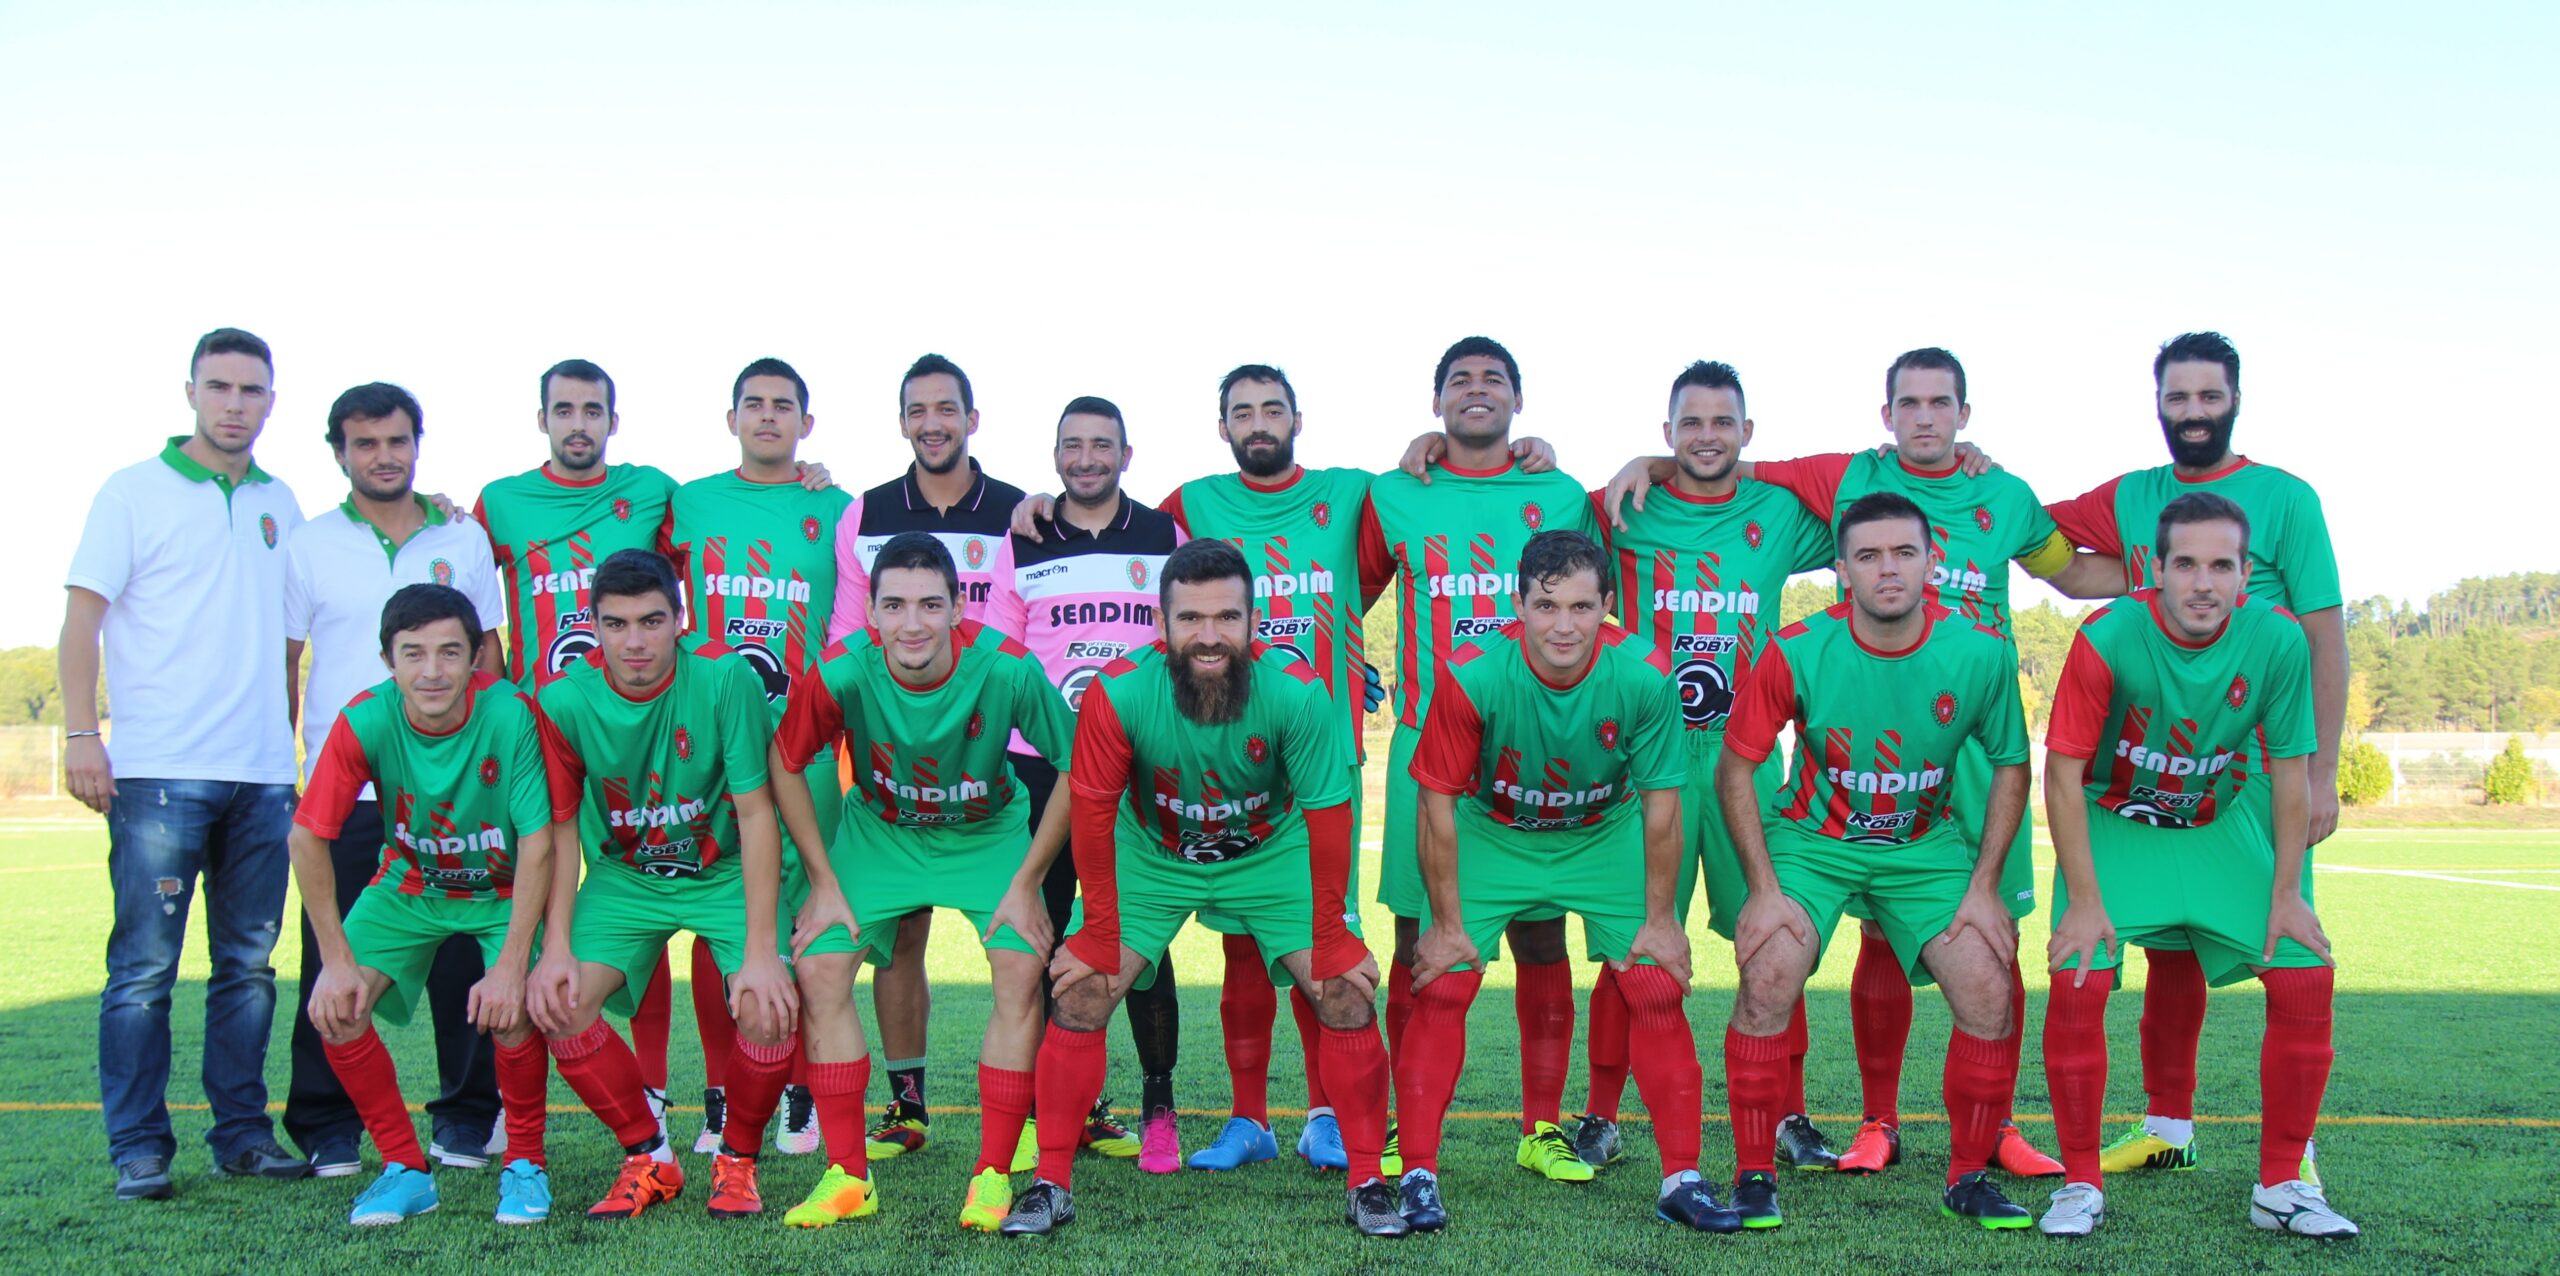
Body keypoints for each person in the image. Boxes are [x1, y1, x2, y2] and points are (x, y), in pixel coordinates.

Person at [1018, 362, 1555, 1173]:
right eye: (1242, 412)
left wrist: (1449, 444)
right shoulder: (1192, 504)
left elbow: (1412, 536)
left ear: (1297, 419)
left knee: (1322, 947)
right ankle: (1249, 1120)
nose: (1258, 422)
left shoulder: (1351, 494)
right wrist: (1042, 508)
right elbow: (1111, 524)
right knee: (1242, 952)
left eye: (1272, 408)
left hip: (1317, 753)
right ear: (1222, 427)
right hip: (1220, 762)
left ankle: (1327, 1117)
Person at [1602, 348, 2108, 1177]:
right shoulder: (1848, 476)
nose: (1924, 417)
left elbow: (2076, 573)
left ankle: (1997, 1126)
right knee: (1863, 930)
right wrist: (1649, 461)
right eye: (1909, 403)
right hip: (1863, 736)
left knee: (1992, 937)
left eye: (1940, 403)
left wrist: (2179, 576)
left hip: (1971, 740)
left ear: (1965, 415)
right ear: (1886, 415)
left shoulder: (2006, 495)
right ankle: (1877, 1119)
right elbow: (1724, 462)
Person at [997, 539, 1402, 1238]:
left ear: (1254, 623)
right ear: (1162, 624)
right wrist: (1099, 932)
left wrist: (1334, 935)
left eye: (1226, 618)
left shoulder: (1298, 690)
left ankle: (1367, 1181)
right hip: (1154, 854)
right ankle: (1051, 1183)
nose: (1209, 635)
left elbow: (1329, 816)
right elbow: (1091, 813)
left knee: (1345, 990)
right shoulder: (1119, 691)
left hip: (1271, 852)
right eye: (1190, 618)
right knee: (1082, 986)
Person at [2043, 331, 2347, 1179]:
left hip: (2249, 769)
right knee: (2168, 947)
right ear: (2158, 405)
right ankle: (2168, 1127)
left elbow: (2323, 635)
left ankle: (2295, 1160)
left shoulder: (2286, 498)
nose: (2194, 412)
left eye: (2209, 396)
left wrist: (2322, 769)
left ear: (2235, 399)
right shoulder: (2135, 495)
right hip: (2145, 763)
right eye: (2178, 397)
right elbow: (2041, 542)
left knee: (2289, 945)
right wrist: (1977, 479)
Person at [822, 355, 1133, 1157]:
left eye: (946, 409)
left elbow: (1029, 610)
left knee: (1040, 928)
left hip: (1005, 743)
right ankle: (908, 1103)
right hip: (899, 749)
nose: (933, 423)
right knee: (900, 933)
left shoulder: (1019, 512)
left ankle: (1066, 1102)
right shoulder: (864, 512)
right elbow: (848, 632)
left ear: (972, 418)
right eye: (917, 410)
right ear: (901, 421)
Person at [1400, 530, 1738, 1233]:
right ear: (1518, 604)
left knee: (1655, 981)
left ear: (1607, 605)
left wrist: (1661, 920)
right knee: (1445, 979)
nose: (1564, 625)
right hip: (1495, 831)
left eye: (1582, 607)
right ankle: (1418, 1175)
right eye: (1547, 605)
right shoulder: (1472, 673)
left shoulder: (1645, 673)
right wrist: (1447, 924)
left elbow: (1663, 805)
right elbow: (1435, 806)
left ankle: (1682, 1179)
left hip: (1599, 832)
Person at [1717, 492, 2036, 1231]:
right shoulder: (1796, 648)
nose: (1887, 569)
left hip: (1922, 848)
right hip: (1813, 843)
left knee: (1988, 986)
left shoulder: (1982, 651)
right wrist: (1763, 888)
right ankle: (1754, 1174)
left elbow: (2012, 766)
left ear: (1931, 562)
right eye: (1868, 555)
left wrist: (1985, 887)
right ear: (1842, 569)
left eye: (1903, 553)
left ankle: (1966, 1177)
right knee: (1768, 973)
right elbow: (1737, 766)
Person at [767, 531, 1079, 1230]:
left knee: (1019, 965)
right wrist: (822, 879)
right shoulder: (841, 670)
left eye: (930, 605)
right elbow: (786, 762)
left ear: (958, 607)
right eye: (895, 605)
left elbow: (1076, 765)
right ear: (871, 612)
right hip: (882, 833)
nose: (913, 624)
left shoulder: (1006, 666)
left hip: (984, 833)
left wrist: (1028, 880)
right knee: (819, 968)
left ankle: (992, 1174)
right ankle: (848, 1176)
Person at [1568, 361, 1836, 1172]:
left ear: (1747, 433)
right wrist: (1641, 470)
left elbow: (1869, 489)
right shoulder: (1623, 509)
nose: (1707, 437)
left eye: (1723, 423)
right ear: (1667, 431)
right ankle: (1600, 1114)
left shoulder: (1776, 510)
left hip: (1746, 754)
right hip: (1648, 755)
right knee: (1632, 944)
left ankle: (1789, 1113)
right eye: (1690, 424)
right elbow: (1535, 506)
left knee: (1777, 936)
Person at [64, 326, 310, 1200]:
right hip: (159, 772)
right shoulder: (132, 491)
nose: (235, 404)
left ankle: (242, 1136)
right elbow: (82, 619)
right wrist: (81, 735)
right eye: (220, 387)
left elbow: (305, 619)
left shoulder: (282, 501)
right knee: (144, 969)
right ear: (191, 393)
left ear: (271, 401)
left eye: (252, 390)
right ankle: (138, 1145)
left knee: (249, 968)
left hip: (263, 776)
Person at [1361, 336, 1604, 1183]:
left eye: (1493, 379)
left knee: (1540, 934)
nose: (1477, 390)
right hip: (1426, 749)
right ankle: (1405, 1125)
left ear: (1517, 400)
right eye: (1459, 380)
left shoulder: (1559, 492)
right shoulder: (1394, 493)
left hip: (1531, 753)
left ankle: (1541, 1129)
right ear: (1435, 404)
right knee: (1415, 939)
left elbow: (1590, 605)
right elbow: (1342, 596)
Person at [525, 550, 800, 1220]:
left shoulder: (724, 676)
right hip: (626, 878)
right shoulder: (562, 699)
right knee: (560, 1000)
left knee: (766, 1005)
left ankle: (737, 1160)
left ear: (680, 620)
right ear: (593, 627)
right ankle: (649, 1156)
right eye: (616, 624)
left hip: (722, 871)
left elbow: (757, 811)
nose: (636, 642)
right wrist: (554, 948)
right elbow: (559, 831)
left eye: (652, 621)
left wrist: (761, 952)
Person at [281, 382, 507, 1177]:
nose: (384, 456)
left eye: (397, 440)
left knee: (463, 957)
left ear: (417, 444)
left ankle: (468, 1118)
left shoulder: (462, 536)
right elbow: (288, 661)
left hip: (454, 791)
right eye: (366, 443)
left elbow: (489, 656)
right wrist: (288, 764)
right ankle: (327, 1125)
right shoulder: (308, 544)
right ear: (339, 452)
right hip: (353, 789)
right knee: (333, 953)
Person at [288, 585, 558, 1226]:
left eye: (449, 652)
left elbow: (539, 842)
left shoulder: (511, 712)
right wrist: (335, 961)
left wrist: (511, 966)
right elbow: (307, 837)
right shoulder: (365, 719)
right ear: (388, 660)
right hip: (409, 888)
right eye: (413, 654)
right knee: (337, 1012)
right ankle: (405, 1170)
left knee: (512, 1011)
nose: (432, 671)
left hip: (500, 892)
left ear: (476, 658)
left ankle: (526, 1163)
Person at [983, 397, 1184, 1168]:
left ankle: (1159, 1108)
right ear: (1056, 455)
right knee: (1047, 935)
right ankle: (1058, 1107)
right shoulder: (1024, 539)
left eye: (1103, 445)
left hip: (1140, 767)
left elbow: (1187, 637)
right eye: (1073, 445)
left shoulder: (1163, 536)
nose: (1087, 458)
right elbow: (1001, 657)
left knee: (1141, 939)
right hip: (1043, 769)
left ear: (1126, 455)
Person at [662, 358, 853, 1157]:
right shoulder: (687, 502)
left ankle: (801, 1096)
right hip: (711, 749)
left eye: (783, 406)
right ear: (731, 418)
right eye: (754, 404)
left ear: (806, 424)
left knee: (808, 922)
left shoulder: (837, 508)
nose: (768, 416)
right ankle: (719, 1096)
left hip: (806, 747)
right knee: (723, 926)